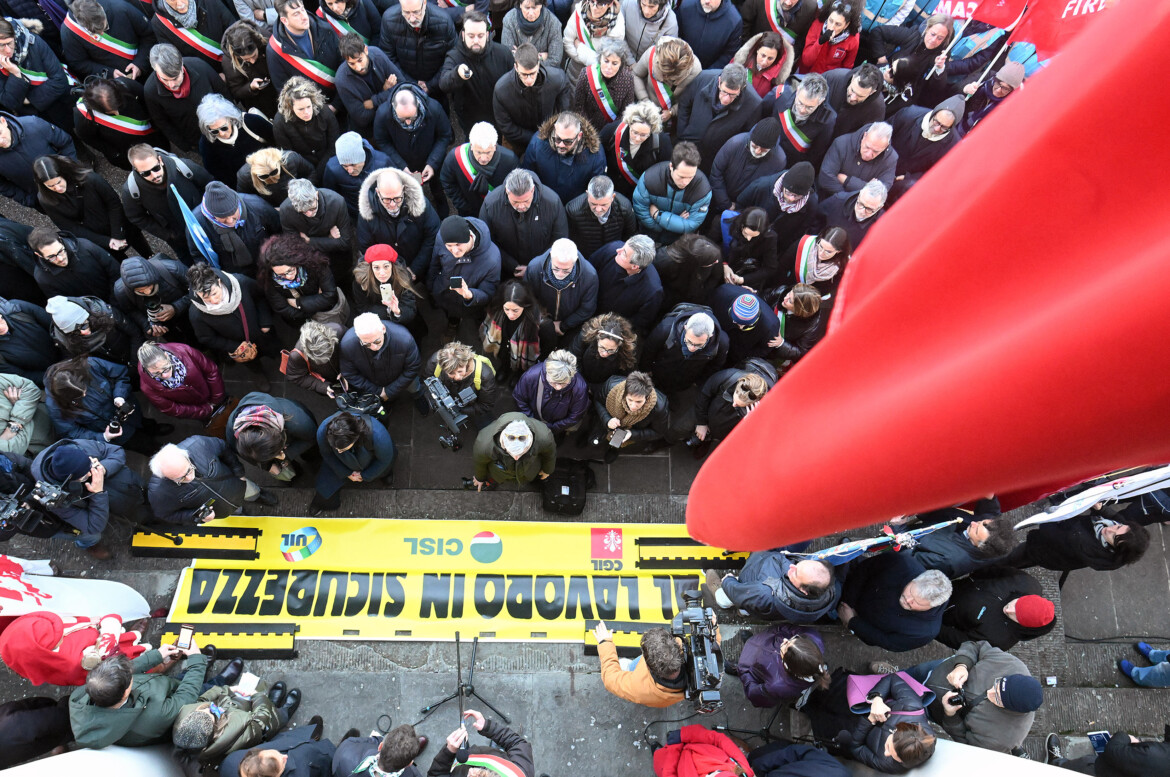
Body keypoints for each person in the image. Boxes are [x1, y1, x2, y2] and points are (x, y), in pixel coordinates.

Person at [902, 640, 1044, 755]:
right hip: (935, 670)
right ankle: (895, 677)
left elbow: (965, 744)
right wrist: (962, 665)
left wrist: (950, 715)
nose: (990, 692)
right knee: (911, 673)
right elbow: (976, 646)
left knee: (902, 706)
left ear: (1013, 710)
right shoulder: (1012, 664)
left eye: (998, 699)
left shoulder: (1003, 739)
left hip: (931, 708)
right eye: (997, 684)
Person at [69, 643, 215, 749]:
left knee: (183, 679)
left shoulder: (89, 689)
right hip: (173, 698)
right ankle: (218, 680)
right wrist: (196, 660)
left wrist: (156, 656)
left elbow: (122, 671)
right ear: (126, 691)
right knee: (204, 689)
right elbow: (186, 695)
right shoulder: (155, 716)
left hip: (162, 686)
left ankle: (193, 672)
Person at [30, 437, 144, 558]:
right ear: (71, 481)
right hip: (114, 503)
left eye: (89, 466)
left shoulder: (77, 447)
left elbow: (116, 451)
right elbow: (93, 526)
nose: (90, 473)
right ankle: (90, 546)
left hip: (129, 483)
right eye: (85, 474)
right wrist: (98, 493)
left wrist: (104, 468)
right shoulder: (55, 498)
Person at [803, 670, 936, 772]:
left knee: (819, 720)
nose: (885, 754)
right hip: (855, 703)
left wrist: (869, 721)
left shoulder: (891, 764)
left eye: (896, 757)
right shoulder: (912, 707)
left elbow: (856, 749)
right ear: (897, 729)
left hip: (847, 730)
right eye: (889, 747)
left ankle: (804, 707)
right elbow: (893, 679)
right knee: (832, 695)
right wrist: (877, 698)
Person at [33, 156, 150, 261]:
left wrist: (117, 235)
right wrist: (106, 241)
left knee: (146, 252)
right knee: (122, 264)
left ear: (64, 174)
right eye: (51, 186)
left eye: (59, 182)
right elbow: (70, 227)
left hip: (121, 224)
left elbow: (113, 204)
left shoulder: (90, 178)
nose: (57, 188)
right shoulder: (46, 199)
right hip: (96, 238)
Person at [172, 681, 298, 777]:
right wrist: (258, 696)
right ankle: (284, 711)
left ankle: (272, 702)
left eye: (203, 709)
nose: (209, 707)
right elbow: (260, 720)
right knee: (275, 718)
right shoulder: (237, 737)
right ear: (215, 728)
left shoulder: (186, 714)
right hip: (253, 717)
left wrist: (226, 689)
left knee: (267, 707)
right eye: (211, 712)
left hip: (237, 706)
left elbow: (202, 700)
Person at [186, 263, 277, 390]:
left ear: (219, 282)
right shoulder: (196, 313)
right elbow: (206, 338)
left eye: (214, 293)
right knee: (251, 362)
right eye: (205, 298)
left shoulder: (241, 283)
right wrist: (234, 347)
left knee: (274, 348)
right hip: (240, 346)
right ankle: (258, 373)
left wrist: (265, 321)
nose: (213, 301)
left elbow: (260, 297)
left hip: (262, 332)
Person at [0, 611, 147, 688]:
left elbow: (66, 624)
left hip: (91, 646)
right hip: (104, 655)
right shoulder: (78, 660)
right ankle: (154, 665)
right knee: (128, 663)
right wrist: (109, 622)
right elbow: (107, 649)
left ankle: (131, 638)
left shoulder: (33, 656)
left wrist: (88, 621)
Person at [838, 553, 952, 652]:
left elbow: (887, 641)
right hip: (852, 588)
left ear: (933, 605)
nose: (908, 600)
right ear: (915, 580)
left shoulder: (925, 632)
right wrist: (847, 602)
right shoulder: (902, 563)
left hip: (859, 619)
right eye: (911, 592)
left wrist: (853, 622)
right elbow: (866, 568)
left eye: (917, 602)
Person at [148, 436, 277, 523]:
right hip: (219, 510)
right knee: (234, 513)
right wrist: (196, 515)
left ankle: (258, 496)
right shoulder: (159, 492)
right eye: (180, 478)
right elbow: (166, 514)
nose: (189, 477)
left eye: (189, 469)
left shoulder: (199, 444)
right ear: (165, 477)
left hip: (237, 484)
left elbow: (223, 448)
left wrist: (239, 472)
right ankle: (239, 512)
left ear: (186, 456)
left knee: (252, 491)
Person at [122, 143, 212, 259]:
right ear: (136, 170)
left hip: (206, 223)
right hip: (180, 239)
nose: (154, 175)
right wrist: (168, 235)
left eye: (155, 168)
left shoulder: (184, 166)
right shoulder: (131, 191)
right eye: (146, 173)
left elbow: (209, 185)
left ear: (160, 160)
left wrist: (211, 212)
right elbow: (135, 216)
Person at [372, 83, 452, 212]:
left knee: (437, 186)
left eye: (411, 117)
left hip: (430, 157)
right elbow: (382, 141)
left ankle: (441, 204)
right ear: (393, 107)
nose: (408, 123)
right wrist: (401, 165)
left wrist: (432, 163)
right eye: (402, 119)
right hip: (403, 162)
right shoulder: (383, 114)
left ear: (418, 104)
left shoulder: (434, 109)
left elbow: (444, 136)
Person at [478, 168, 568, 281]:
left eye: (526, 201)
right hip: (505, 269)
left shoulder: (552, 202)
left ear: (533, 190)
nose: (521, 207)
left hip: (543, 270)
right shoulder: (491, 204)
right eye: (515, 202)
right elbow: (487, 241)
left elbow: (560, 239)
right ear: (507, 191)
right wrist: (512, 266)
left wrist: (535, 266)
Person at [938, 568, 1055, 652]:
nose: (1009, 610)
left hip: (939, 613)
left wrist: (930, 623)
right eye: (1016, 605)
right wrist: (974, 575)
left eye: (1016, 617)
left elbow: (957, 639)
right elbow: (996, 569)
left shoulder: (997, 641)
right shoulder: (1026, 582)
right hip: (954, 585)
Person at [676, 62, 762, 174]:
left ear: (743, 88)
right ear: (719, 81)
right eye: (724, 91)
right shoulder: (703, 78)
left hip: (713, 157)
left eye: (733, 95)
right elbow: (684, 103)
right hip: (686, 143)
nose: (726, 99)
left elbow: (745, 137)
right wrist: (682, 133)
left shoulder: (754, 104)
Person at [356, 167, 441, 279]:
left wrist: (415, 268)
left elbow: (433, 236)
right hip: (389, 272)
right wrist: (393, 271)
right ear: (377, 192)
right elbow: (366, 247)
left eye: (397, 198)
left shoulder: (421, 204)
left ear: (403, 189)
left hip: (422, 264)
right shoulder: (367, 213)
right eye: (386, 199)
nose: (393, 204)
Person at [428, 215, 502, 342]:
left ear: (470, 237)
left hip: (472, 303)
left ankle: (481, 330)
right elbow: (434, 263)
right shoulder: (441, 237)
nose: (454, 251)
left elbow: (489, 292)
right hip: (445, 293)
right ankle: (453, 323)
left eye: (458, 244)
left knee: (477, 317)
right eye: (449, 246)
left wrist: (470, 295)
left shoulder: (492, 259)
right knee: (451, 313)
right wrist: (432, 286)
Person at [44, 354, 145, 447]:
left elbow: (120, 374)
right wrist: (104, 437)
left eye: (85, 389)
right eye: (78, 396)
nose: (84, 394)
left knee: (147, 424)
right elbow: (72, 432)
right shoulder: (55, 406)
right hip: (118, 433)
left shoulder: (91, 365)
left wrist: (119, 396)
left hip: (133, 414)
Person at [439, 9, 513, 133]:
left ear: (487, 34)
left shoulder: (503, 53)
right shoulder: (454, 56)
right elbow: (444, 84)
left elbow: (513, 83)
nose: (476, 40)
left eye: (480, 36)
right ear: (463, 35)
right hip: (470, 120)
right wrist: (457, 74)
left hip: (499, 116)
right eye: (471, 36)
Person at [717, 548, 837, 621]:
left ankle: (730, 604)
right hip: (760, 601)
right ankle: (745, 611)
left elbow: (737, 593)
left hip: (748, 585)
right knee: (753, 605)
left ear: (804, 590)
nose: (791, 566)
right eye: (799, 563)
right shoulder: (827, 591)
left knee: (723, 598)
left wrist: (728, 581)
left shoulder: (765, 593)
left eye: (795, 573)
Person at [1004, 512, 1150, 573]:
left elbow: (1049, 531)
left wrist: (1051, 514)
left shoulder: (1081, 543)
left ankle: (997, 568)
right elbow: (1118, 519)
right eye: (1117, 527)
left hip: (1042, 550)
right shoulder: (1120, 544)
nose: (1109, 529)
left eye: (1113, 537)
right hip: (1058, 554)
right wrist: (1102, 509)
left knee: (1013, 559)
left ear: (1116, 547)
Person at [867, 13, 954, 113]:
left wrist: (939, 68)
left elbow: (936, 88)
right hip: (885, 75)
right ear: (927, 28)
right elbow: (878, 32)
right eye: (933, 34)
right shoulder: (912, 35)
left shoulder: (942, 55)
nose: (933, 40)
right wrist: (881, 59)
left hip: (904, 95)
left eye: (940, 38)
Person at [907, 499, 1017, 579]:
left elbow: (907, 559)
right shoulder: (995, 539)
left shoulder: (947, 560)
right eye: (980, 523)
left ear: (980, 546)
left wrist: (898, 526)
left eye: (976, 530)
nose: (973, 523)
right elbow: (991, 514)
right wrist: (989, 497)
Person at [311, 410, 395, 514]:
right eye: (336, 448)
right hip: (340, 462)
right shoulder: (323, 431)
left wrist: (365, 475)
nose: (338, 451)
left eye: (341, 449)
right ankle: (324, 503)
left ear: (354, 439)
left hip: (371, 461)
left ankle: (384, 475)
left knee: (384, 469)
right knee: (324, 488)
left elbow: (384, 459)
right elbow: (327, 454)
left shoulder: (378, 435)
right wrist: (346, 472)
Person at [191, 181, 281, 276]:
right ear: (212, 215)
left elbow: (279, 231)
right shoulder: (197, 224)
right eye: (223, 218)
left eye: (233, 214)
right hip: (233, 275)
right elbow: (200, 255)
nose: (230, 221)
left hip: (267, 264)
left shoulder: (258, 206)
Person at [493, 44, 571, 152]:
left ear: (538, 64)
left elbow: (565, 102)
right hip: (517, 142)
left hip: (549, 136)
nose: (529, 80)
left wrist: (557, 125)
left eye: (532, 73)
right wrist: (537, 138)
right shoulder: (502, 89)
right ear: (516, 67)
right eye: (524, 74)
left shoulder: (556, 78)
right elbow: (506, 127)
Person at [226, 391, 319, 482]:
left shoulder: (299, 422)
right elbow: (251, 456)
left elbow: (311, 438)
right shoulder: (233, 436)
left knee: (311, 455)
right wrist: (268, 466)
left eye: (278, 453)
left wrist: (287, 455)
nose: (279, 456)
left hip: (302, 436)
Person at [0, 17, 72, 133]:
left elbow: (59, 80)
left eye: (9, 43)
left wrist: (29, 100)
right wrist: (15, 74)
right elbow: (10, 103)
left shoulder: (33, 42)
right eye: (1, 45)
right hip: (35, 119)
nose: (8, 50)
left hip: (61, 104)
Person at [682, 361, 774, 451]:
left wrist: (749, 424)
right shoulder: (728, 377)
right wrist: (702, 422)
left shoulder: (766, 412)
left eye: (739, 405)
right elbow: (705, 393)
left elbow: (752, 445)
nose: (734, 404)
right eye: (735, 399)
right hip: (712, 418)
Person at [256, 235, 346, 328]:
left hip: (326, 316)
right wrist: (317, 302)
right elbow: (284, 310)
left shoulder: (317, 265)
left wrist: (298, 303)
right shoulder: (270, 280)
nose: (288, 277)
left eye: (290, 270)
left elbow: (330, 296)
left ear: (296, 262)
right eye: (281, 275)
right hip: (300, 323)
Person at [339, 313, 422, 412]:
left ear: (383, 329)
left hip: (401, 377)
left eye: (377, 341)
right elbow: (350, 373)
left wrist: (388, 392)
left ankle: (418, 396)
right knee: (385, 399)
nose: (374, 347)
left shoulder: (404, 339)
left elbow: (412, 368)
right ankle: (388, 402)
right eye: (366, 344)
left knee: (414, 387)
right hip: (374, 383)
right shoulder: (347, 345)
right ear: (358, 336)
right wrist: (378, 391)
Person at [592, 620, 687, 707]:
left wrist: (604, 642)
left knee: (627, 666)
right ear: (677, 648)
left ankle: (628, 667)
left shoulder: (639, 688)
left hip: (648, 689)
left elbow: (610, 679)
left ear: (648, 666)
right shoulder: (683, 646)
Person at [632, 141, 711, 244]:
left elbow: (691, 225)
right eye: (681, 176)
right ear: (671, 166)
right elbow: (641, 211)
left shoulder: (702, 189)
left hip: (678, 241)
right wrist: (676, 222)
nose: (685, 182)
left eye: (691, 177)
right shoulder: (650, 178)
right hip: (649, 235)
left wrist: (658, 215)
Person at [732, 625, 830, 708]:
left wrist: (742, 669)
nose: (784, 640)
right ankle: (750, 642)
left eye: (783, 649)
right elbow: (789, 628)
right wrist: (774, 631)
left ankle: (735, 668)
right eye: (792, 639)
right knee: (752, 643)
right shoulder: (814, 638)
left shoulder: (778, 685)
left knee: (747, 653)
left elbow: (753, 693)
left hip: (750, 665)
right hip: (765, 641)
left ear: (789, 666)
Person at [73, 77, 160, 169]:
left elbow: (146, 101)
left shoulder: (126, 85)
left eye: (118, 107)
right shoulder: (82, 115)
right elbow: (89, 138)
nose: (116, 113)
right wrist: (115, 154)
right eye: (110, 112)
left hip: (152, 135)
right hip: (125, 149)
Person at [522, 110, 606, 205]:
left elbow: (597, 189)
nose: (561, 145)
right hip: (544, 203)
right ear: (554, 129)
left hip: (575, 207)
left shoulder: (594, 154)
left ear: (579, 136)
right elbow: (527, 176)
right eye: (557, 139)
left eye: (568, 141)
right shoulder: (537, 144)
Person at [524, 237, 598, 344]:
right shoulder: (534, 268)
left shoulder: (590, 276)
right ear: (551, 256)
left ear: (575, 260)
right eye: (556, 268)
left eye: (566, 270)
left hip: (571, 328)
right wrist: (544, 322)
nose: (560, 274)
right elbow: (529, 298)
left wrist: (563, 325)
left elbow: (587, 309)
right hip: (541, 323)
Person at [888, 95, 964, 198]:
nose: (937, 129)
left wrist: (910, 177)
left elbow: (939, 173)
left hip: (904, 184)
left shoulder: (953, 146)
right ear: (933, 113)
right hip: (883, 166)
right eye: (936, 122)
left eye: (944, 127)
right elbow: (885, 133)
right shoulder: (909, 114)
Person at [280, 178, 355, 281]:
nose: (309, 214)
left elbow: (345, 242)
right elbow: (294, 247)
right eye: (303, 211)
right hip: (311, 261)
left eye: (312, 208)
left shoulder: (336, 202)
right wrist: (330, 238)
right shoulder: (286, 210)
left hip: (339, 258)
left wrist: (309, 241)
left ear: (316, 195)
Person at [61, 0, 154, 83]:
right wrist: (109, 73)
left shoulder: (120, 7)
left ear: (101, 8)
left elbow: (149, 35)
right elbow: (79, 63)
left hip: (149, 66)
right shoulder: (69, 32)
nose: (101, 34)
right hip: (117, 82)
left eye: (105, 27)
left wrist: (140, 63)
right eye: (94, 33)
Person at [378, 0, 455, 100]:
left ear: (425, 3)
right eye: (406, 13)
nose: (412, 18)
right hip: (404, 86)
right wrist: (411, 83)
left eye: (416, 12)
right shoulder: (389, 20)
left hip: (437, 87)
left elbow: (452, 57)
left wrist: (431, 85)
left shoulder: (444, 21)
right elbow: (387, 58)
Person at [640, 309, 728, 395]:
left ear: (710, 335)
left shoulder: (721, 344)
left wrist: (699, 381)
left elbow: (715, 366)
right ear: (685, 327)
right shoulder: (666, 329)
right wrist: (646, 369)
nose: (692, 348)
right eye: (689, 341)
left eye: (699, 345)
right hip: (658, 372)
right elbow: (649, 350)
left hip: (684, 381)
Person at [440, 122, 519, 218]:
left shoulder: (510, 161)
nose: (483, 158)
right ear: (471, 145)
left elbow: (515, 189)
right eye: (479, 152)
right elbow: (446, 181)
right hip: (469, 213)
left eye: (488, 152)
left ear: (495, 146)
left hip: (498, 212)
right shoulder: (454, 158)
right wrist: (463, 206)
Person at [0, 110, 76, 208]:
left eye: (0, 132)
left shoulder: (34, 124)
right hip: (44, 200)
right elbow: (2, 185)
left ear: (3, 121)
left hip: (68, 181)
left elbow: (65, 142)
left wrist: (72, 172)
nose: (1, 141)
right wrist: (29, 200)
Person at [708, 120, 786, 215]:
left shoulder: (779, 161)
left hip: (744, 210)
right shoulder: (734, 143)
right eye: (755, 146)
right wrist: (725, 203)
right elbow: (716, 173)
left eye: (763, 149)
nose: (757, 151)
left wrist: (742, 209)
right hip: (717, 198)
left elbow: (767, 192)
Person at [735, 160, 817, 251]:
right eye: (788, 192)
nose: (791, 199)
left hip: (773, 247)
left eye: (797, 196)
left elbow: (799, 233)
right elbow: (740, 205)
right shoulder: (762, 186)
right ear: (782, 185)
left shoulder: (811, 204)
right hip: (744, 238)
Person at [265, 0, 342, 96]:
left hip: (342, 95)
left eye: (303, 9)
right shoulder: (274, 51)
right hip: (311, 108)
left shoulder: (325, 28)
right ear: (284, 20)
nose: (304, 17)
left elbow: (343, 63)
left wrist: (336, 105)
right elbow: (285, 92)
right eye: (296, 14)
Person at [196, 93, 275, 186]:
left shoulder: (250, 121)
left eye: (224, 128)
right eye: (214, 131)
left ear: (231, 119)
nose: (221, 133)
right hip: (247, 186)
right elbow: (219, 175)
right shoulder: (206, 144)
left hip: (273, 171)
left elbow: (276, 140)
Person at [588, 235, 663, 332]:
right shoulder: (611, 249)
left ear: (635, 266)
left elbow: (638, 324)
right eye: (624, 247)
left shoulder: (652, 291)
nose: (618, 250)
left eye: (624, 253)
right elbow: (587, 273)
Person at [599, 100, 672, 199]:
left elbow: (664, 173)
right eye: (635, 132)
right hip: (612, 191)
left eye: (643, 135)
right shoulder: (612, 131)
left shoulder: (662, 142)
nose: (637, 138)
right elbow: (596, 157)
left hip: (641, 195)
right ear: (629, 124)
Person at [335, 33, 404, 137]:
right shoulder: (342, 80)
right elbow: (362, 118)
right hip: (370, 132)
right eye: (352, 64)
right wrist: (386, 92)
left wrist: (375, 101)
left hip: (395, 118)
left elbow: (402, 85)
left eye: (360, 60)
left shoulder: (377, 54)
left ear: (366, 50)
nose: (358, 67)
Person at [137, 342, 226, 422]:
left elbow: (211, 371)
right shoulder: (147, 387)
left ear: (167, 356)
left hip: (213, 391)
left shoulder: (185, 351)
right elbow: (173, 409)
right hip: (197, 409)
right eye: (156, 374)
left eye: (166, 368)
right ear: (146, 369)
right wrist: (205, 410)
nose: (164, 376)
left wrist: (217, 398)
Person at [590, 370, 667, 459]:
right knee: (596, 432)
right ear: (624, 393)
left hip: (629, 431)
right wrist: (607, 419)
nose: (633, 406)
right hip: (605, 422)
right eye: (630, 400)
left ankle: (613, 449)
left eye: (639, 401)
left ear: (647, 397)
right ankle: (595, 437)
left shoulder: (659, 407)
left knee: (618, 442)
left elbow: (658, 432)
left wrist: (632, 434)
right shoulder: (611, 386)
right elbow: (598, 400)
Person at [424, 340, 499, 432]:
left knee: (485, 427)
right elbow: (427, 381)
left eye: (460, 371)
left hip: (473, 407)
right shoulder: (435, 362)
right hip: (449, 401)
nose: (457, 377)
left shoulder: (484, 375)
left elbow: (485, 405)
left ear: (466, 363)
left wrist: (459, 410)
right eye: (451, 373)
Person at [431, 710, 533, 777]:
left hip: (459, 763)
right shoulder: (518, 773)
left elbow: (437, 774)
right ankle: (499, 750)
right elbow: (517, 744)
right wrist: (488, 728)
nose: (471, 771)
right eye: (482, 773)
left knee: (463, 749)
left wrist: (448, 752)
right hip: (491, 755)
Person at [28, 226, 119, 301]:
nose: (60, 258)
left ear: (60, 240)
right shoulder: (42, 278)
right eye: (51, 257)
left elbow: (114, 270)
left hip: (118, 294)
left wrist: (115, 298)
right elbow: (66, 304)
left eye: (60, 251)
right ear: (39, 255)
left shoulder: (86, 246)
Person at [513, 349, 589, 439]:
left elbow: (574, 416)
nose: (558, 387)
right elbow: (519, 398)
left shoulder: (580, 388)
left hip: (557, 428)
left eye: (563, 383)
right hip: (532, 421)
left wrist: (552, 428)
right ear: (547, 373)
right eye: (554, 382)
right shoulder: (531, 376)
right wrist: (531, 421)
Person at [114, 254, 193, 341]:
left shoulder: (173, 268)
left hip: (188, 313)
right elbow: (130, 310)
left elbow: (198, 290)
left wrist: (176, 307)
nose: (147, 292)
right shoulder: (121, 291)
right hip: (163, 326)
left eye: (149, 286)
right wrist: (150, 325)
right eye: (140, 290)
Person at [468, 412, 554, 490]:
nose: (516, 458)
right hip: (500, 474)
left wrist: (547, 470)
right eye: (511, 453)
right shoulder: (484, 444)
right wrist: (480, 478)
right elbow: (480, 462)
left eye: (521, 453)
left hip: (530, 470)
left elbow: (550, 454)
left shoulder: (544, 438)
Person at [350, 244, 422, 336]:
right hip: (377, 323)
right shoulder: (361, 281)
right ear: (371, 267)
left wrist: (397, 311)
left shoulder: (403, 276)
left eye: (386, 266)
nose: (382, 273)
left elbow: (410, 308)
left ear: (392, 265)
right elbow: (362, 307)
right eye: (376, 268)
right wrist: (387, 311)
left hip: (404, 322)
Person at [768, 73, 836, 169]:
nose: (802, 110)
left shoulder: (827, 121)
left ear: (821, 101)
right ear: (798, 90)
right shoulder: (781, 93)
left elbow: (815, 154)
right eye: (800, 103)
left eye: (810, 107)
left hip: (788, 165)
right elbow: (762, 116)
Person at [630, 36, 701, 125]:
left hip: (674, 118)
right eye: (663, 74)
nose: (664, 79)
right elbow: (636, 75)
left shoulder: (695, 70)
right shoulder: (651, 54)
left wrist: (672, 111)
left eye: (671, 77)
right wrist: (644, 100)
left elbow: (692, 99)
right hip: (646, 105)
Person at [273, 77, 341, 170]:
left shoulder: (324, 111)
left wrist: (320, 172)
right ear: (290, 108)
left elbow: (334, 145)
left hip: (329, 162)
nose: (307, 112)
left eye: (309, 107)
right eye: (301, 109)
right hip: (302, 168)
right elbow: (288, 157)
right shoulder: (280, 123)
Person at [222, 721, 333, 777]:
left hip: (288, 742)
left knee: (285, 741)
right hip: (310, 762)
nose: (285, 756)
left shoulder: (230, 761)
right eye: (282, 762)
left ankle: (308, 737)